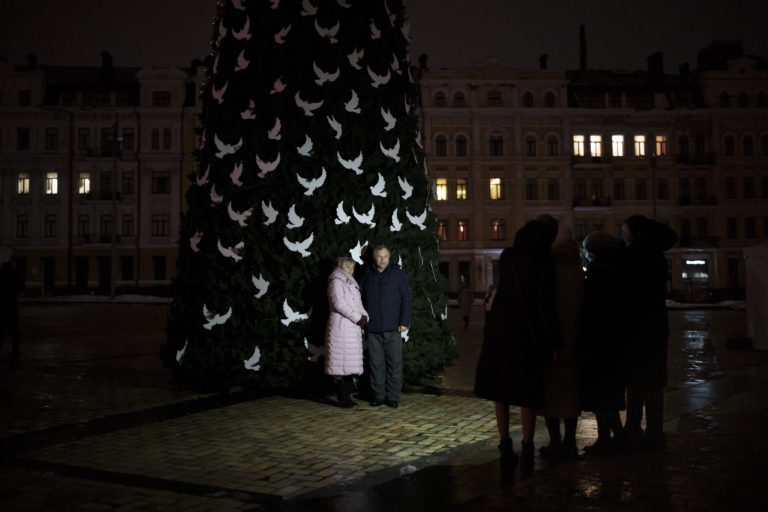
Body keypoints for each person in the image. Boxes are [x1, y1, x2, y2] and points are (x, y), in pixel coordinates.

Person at [474, 220, 562, 466]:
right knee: (527, 393)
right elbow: (546, 307)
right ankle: (527, 441)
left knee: (500, 390)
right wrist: (555, 342)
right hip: (526, 335)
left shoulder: (508, 256)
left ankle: (504, 440)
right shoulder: (544, 263)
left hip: (500, 329)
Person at [620, 215, 677, 450]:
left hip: (635, 326)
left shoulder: (631, 257)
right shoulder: (657, 257)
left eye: (624, 230)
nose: (622, 234)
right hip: (655, 326)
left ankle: (633, 428)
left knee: (634, 381)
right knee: (653, 382)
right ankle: (655, 431)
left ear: (634, 232)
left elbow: (625, 294)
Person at [579, 231, 628, 455]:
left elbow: (591, 311)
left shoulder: (598, 273)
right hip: (615, 344)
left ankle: (609, 440)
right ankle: (615, 438)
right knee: (610, 396)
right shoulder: (617, 270)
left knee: (602, 396)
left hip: (600, 344)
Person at [539, 225, 584, 460]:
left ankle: (555, 442)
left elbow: (546, 306)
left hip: (554, 341)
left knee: (551, 396)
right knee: (571, 393)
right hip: (575, 340)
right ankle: (569, 441)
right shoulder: (578, 268)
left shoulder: (550, 268)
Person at [360, 246, 412, 408]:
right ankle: (378, 396)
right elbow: (359, 300)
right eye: (379, 256)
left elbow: (407, 298)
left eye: (386, 256)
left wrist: (404, 322)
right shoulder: (366, 275)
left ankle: (393, 397)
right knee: (376, 364)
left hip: (393, 327)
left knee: (394, 364)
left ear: (390, 257)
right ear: (374, 257)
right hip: (373, 328)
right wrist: (362, 323)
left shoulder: (397, 274)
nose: (382, 259)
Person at [325, 257, 368, 408]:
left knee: (350, 365)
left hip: (352, 328)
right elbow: (339, 304)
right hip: (341, 327)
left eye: (352, 267)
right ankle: (343, 399)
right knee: (340, 365)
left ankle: (347, 397)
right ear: (341, 266)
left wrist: (364, 316)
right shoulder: (336, 281)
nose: (350, 270)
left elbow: (358, 304)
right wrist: (357, 318)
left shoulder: (352, 283)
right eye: (347, 267)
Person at [0, 259, 21, 360]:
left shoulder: (2, 275)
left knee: (2, 329)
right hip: (12, 306)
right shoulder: (14, 275)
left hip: (3, 305)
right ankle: (16, 349)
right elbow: (19, 287)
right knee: (13, 330)